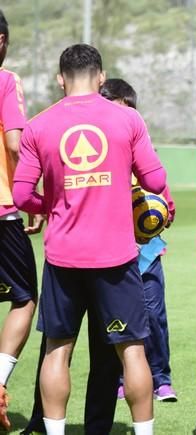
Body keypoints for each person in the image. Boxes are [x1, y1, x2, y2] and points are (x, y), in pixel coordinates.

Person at [12, 43, 165, 435]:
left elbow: (21, 194)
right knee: (131, 350)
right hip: (115, 257)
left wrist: (53, 203)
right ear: (100, 77)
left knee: (57, 350)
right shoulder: (127, 120)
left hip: (63, 257)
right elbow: (157, 182)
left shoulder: (39, 125)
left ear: (60, 80)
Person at [100, 78, 178, 403]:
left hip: (146, 254)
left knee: (154, 316)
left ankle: (161, 378)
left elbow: (166, 203)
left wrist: (156, 219)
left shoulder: (145, 153)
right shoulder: (100, 158)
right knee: (118, 321)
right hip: (110, 255)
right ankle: (120, 379)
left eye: (128, 112)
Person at [0, 9, 40, 432]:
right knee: (24, 297)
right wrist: (29, 197)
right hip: (2, 209)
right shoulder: (5, 81)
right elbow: (14, 144)